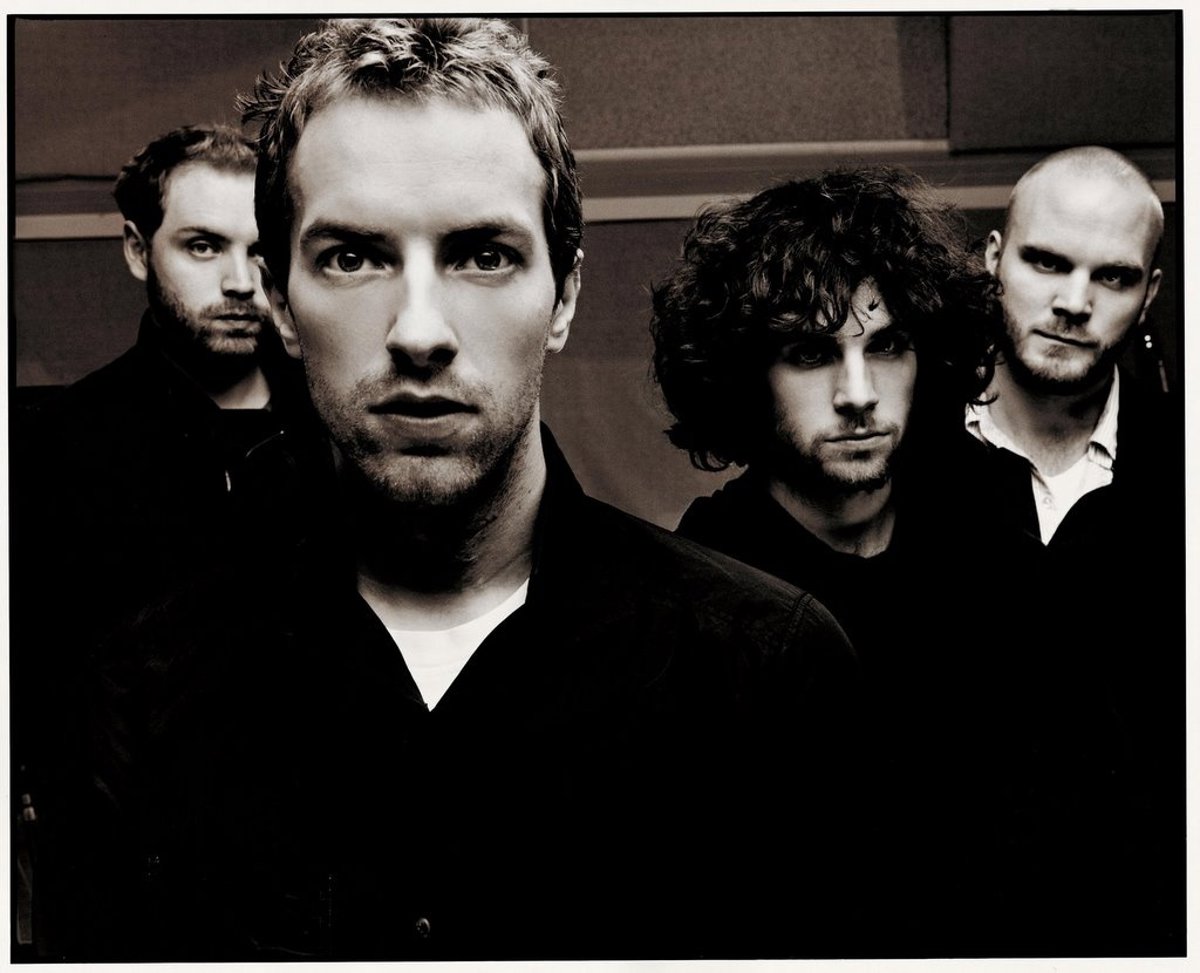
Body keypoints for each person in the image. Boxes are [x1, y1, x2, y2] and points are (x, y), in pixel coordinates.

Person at [72, 18, 862, 962]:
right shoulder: (151, 685)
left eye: (482, 255)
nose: (420, 331)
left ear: (564, 295)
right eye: (353, 257)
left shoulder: (761, 671)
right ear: (281, 302)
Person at [649, 167, 1020, 953]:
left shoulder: (991, 546)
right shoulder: (700, 593)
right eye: (812, 351)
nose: (858, 393)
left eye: (886, 346)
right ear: (750, 375)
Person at [10, 124, 312, 958]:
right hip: (123, 906)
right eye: (203, 245)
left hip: (314, 892)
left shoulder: (339, 428)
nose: (241, 281)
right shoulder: (56, 449)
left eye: (261, 250)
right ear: (138, 251)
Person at [962, 146, 1184, 955]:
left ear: (1149, 293)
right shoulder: (900, 458)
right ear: (993, 259)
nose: (1073, 302)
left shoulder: (1183, 471)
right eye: (1047, 262)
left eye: (1113, 277)